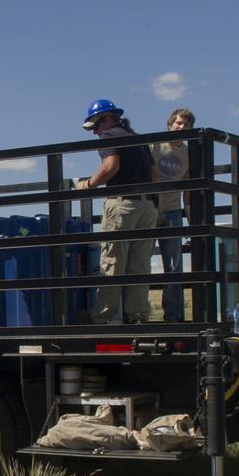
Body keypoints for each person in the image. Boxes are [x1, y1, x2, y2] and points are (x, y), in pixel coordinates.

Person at [82, 99, 159, 324]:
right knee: (140, 265)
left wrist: (89, 184)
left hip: (123, 205)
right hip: (147, 205)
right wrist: (157, 207)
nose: (95, 132)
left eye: (96, 125)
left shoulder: (109, 136)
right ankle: (138, 317)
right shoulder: (137, 138)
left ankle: (103, 318)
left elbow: (110, 166)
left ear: (106, 118)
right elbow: (155, 175)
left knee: (113, 262)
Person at [153, 107, 196, 322]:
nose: (181, 127)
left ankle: (173, 316)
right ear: (169, 124)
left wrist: (191, 221)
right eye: (178, 123)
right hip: (149, 209)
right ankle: (135, 314)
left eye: (186, 125)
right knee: (138, 261)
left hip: (172, 211)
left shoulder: (189, 154)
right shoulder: (154, 145)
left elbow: (188, 191)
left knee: (173, 265)